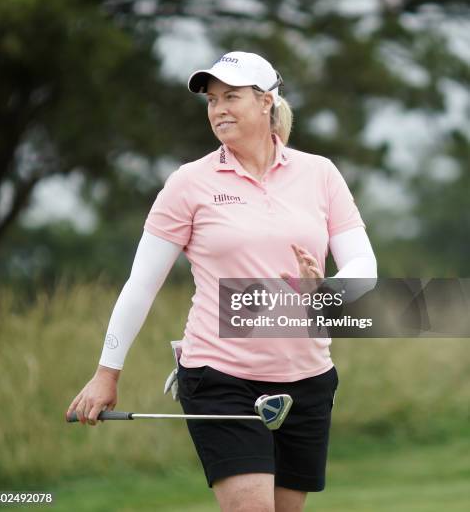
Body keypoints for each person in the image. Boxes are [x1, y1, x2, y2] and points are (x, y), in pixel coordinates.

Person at [66, 51, 377, 512]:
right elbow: (141, 283)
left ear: (266, 101)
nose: (219, 109)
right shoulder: (189, 183)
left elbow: (364, 271)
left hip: (308, 379)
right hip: (221, 375)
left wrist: (326, 291)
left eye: (231, 97)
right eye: (212, 100)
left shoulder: (320, 174)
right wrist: (106, 373)